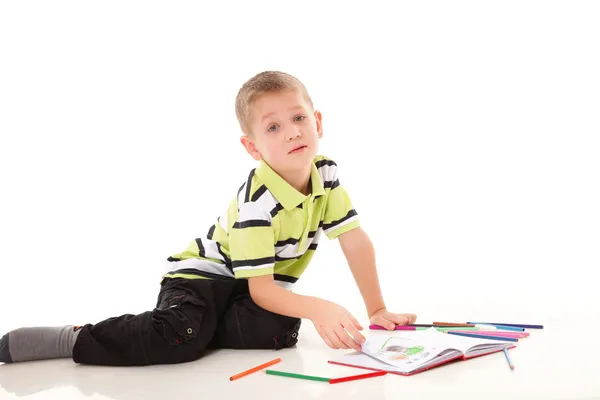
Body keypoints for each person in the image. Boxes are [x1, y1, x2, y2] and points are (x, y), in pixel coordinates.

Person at [0, 71, 417, 366]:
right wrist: (319, 306)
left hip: (247, 287)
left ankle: (205, 331)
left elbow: (354, 240)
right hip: (203, 278)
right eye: (273, 127)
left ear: (318, 122)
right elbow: (264, 290)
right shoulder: (259, 201)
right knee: (177, 338)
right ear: (252, 147)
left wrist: (377, 308)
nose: (292, 132)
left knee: (278, 331)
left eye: (298, 118)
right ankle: (74, 339)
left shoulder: (325, 174)